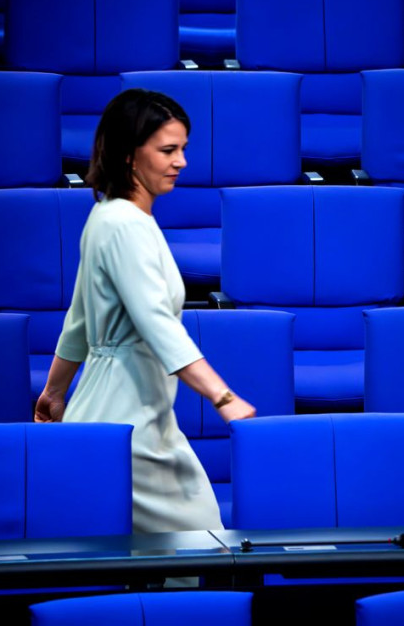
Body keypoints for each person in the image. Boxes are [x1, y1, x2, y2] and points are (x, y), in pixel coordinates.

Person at [33, 88, 255, 533]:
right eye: (168, 150)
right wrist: (223, 396)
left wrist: (55, 393)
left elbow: (78, 322)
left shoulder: (110, 217)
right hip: (126, 417)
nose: (181, 162)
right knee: (199, 539)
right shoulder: (123, 225)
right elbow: (156, 323)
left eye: (183, 149)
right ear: (129, 155)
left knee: (150, 551)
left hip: (128, 409)